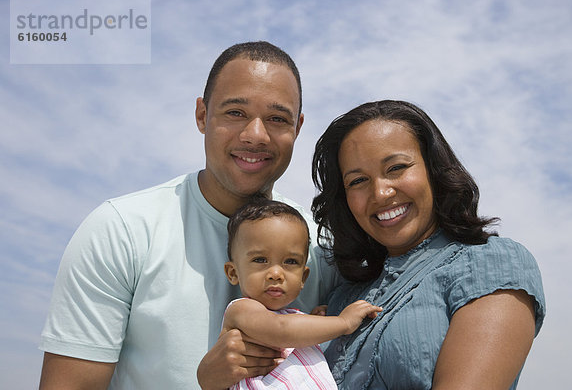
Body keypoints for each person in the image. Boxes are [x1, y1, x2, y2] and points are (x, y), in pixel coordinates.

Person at [38, 41, 340, 389]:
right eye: (235, 112)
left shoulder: (321, 249)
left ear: (297, 128)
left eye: (276, 118)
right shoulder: (121, 231)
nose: (255, 135)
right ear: (202, 115)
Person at [311, 100, 546, 389]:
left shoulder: (493, 265)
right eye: (358, 180)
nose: (381, 193)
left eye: (396, 167)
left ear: (433, 170)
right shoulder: (340, 296)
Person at [222, 196, 381, 389]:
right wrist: (343, 322)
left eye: (290, 262)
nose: (275, 274)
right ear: (233, 273)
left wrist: (314, 322)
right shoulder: (241, 310)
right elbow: (281, 330)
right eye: (260, 260)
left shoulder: (292, 318)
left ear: (303, 278)